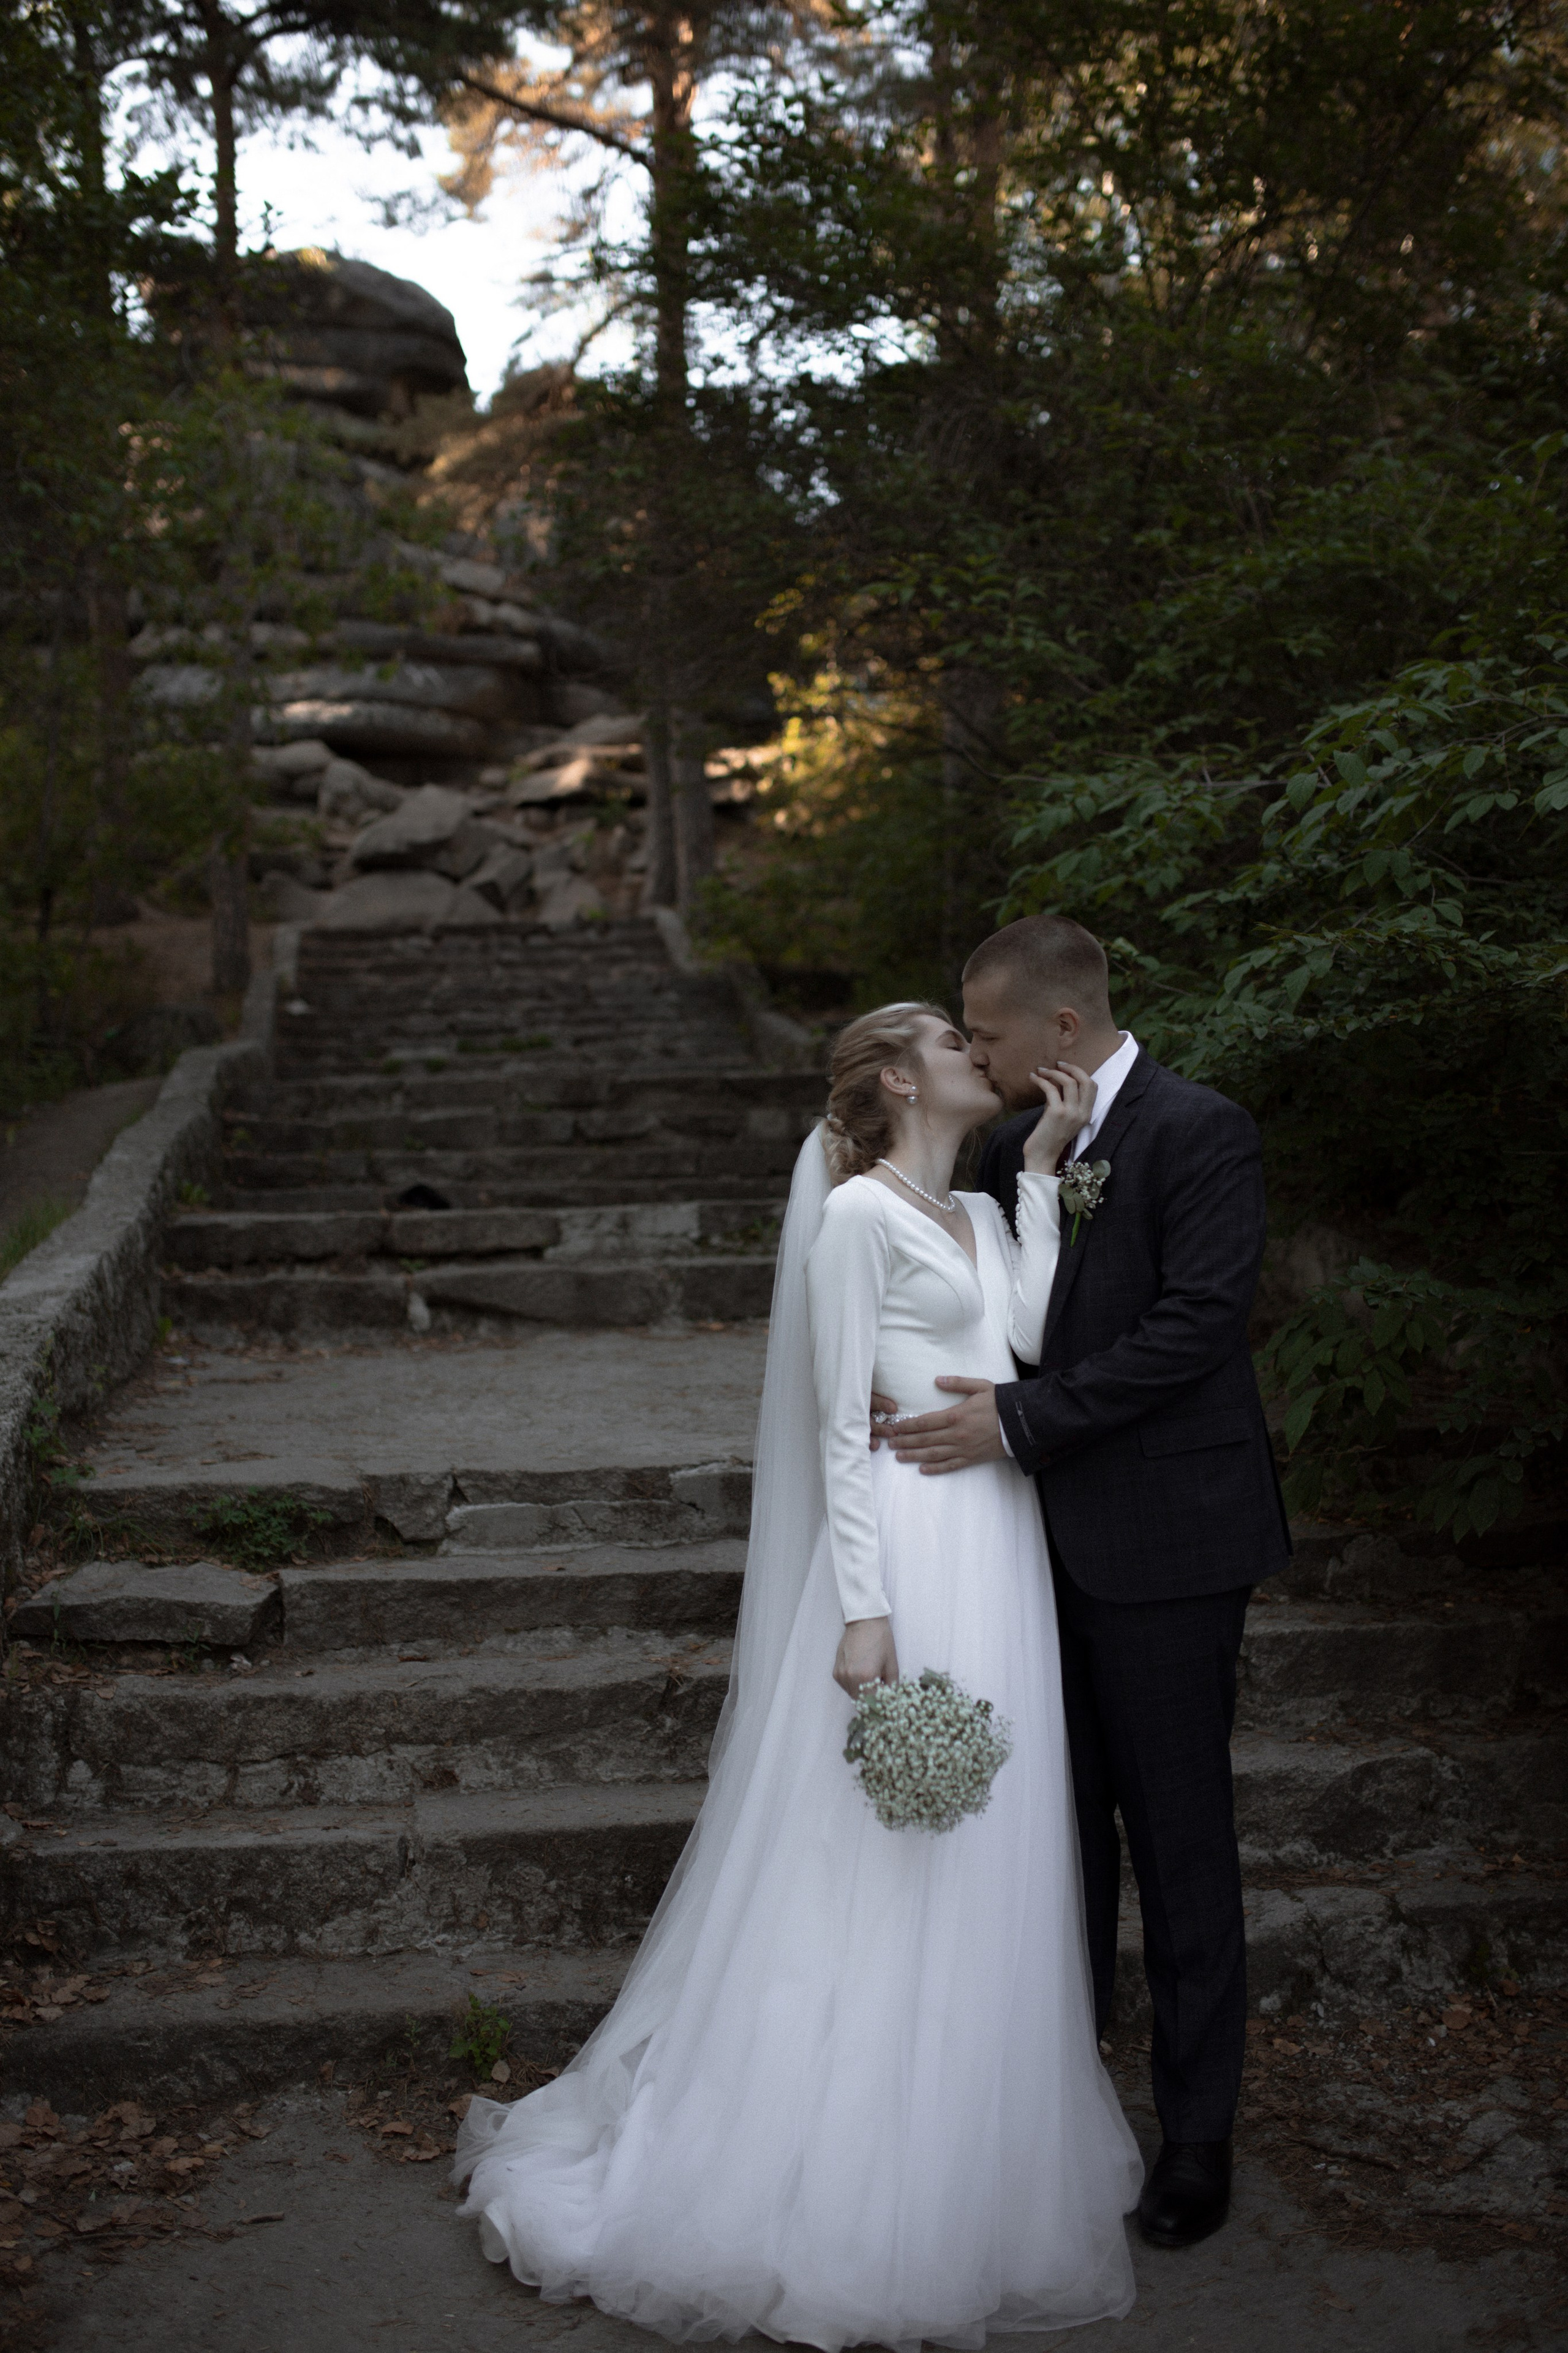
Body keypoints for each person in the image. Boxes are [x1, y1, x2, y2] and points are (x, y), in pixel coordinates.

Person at [453, 1002, 1142, 2347]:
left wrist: (1041, 1171)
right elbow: (835, 1424)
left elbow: (1029, 1342)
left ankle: (966, 2153)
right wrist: (863, 1611)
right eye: (949, 1040)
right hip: (906, 1546)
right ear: (897, 1079)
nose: (977, 1054)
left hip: (998, 1542)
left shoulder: (980, 1207)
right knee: (878, 1844)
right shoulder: (855, 1218)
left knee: (988, 1837)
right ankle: (835, 2162)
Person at [880, 914, 1292, 2253]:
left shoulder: (1200, 1130)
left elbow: (1194, 1325)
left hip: (1170, 1545)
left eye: (987, 1031)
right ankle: (1062, 2105)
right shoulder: (1015, 1147)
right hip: (1024, 1549)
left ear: (1062, 1025)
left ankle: (1196, 2134)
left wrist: (1017, 1420)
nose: (976, 1052)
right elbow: (998, 1306)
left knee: (1178, 1840)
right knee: (1049, 1839)